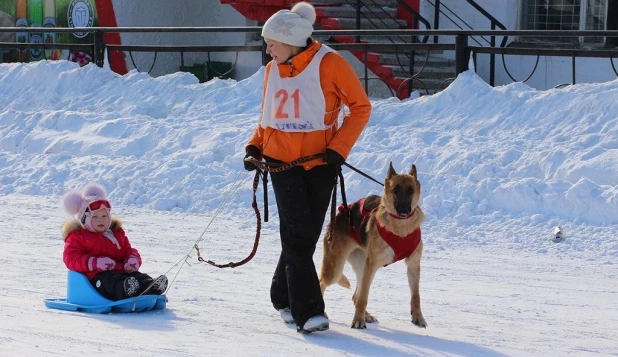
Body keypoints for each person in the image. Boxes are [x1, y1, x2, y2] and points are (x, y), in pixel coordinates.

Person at [243, 2, 371, 333]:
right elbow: (268, 117)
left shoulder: (331, 64)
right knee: (298, 235)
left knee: (306, 235)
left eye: (271, 42)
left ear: (290, 41)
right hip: (280, 163)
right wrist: (254, 145)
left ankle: (281, 294)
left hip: (322, 163)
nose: (267, 48)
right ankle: (308, 311)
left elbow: (360, 108)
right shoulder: (273, 69)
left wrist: (338, 149)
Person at [61, 183, 167, 301]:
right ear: (85, 219)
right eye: (95, 217)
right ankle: (126, 291)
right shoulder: (78, 236)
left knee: (137, 277)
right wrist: (95, 263)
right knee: (111, 281)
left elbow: (128, 250)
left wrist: (132, 259)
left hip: (121, 272)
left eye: (104, 216)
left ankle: (151, 287)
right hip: (95, 278)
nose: (101, 219)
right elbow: (71, 258)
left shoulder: (115, 234)